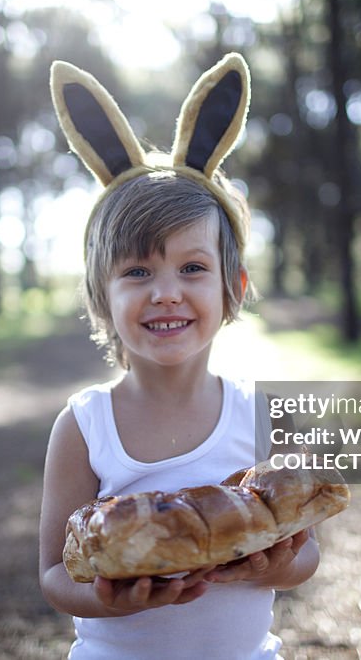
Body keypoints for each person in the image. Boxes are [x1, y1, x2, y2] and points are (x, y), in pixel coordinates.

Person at [38, 53, 320, 659]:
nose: (166, 290)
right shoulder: (84, 428)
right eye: (137, 270)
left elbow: (308, 553)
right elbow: (56, 576)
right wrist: (113, 598)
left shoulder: (263, 414)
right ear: (101, 296)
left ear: (233, 288)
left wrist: (264, 568)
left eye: (192, 267)